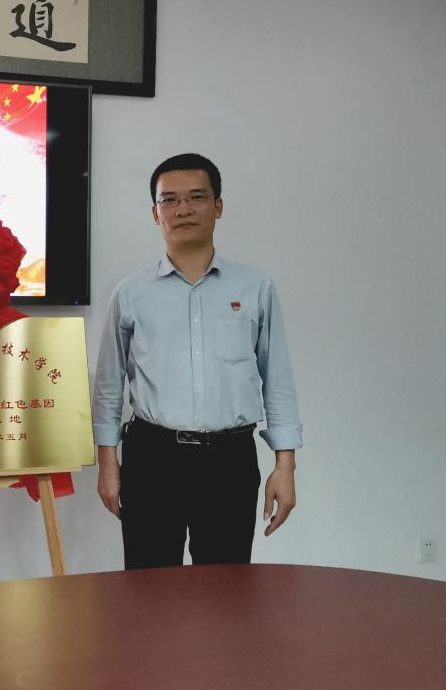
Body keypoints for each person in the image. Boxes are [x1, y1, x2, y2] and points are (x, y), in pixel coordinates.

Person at [92, 153, 301, 569]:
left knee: (226, 592)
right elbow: (109, 385)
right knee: (149, 590)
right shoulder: (131, 293)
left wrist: (285, 466)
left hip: (229, 460)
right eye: (169, 200)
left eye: (196, 197)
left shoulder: (254, 287)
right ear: (155, 213)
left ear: (217, 206)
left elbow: (276, 379)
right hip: (152, 459)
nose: (183, 209)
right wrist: (108, 462)